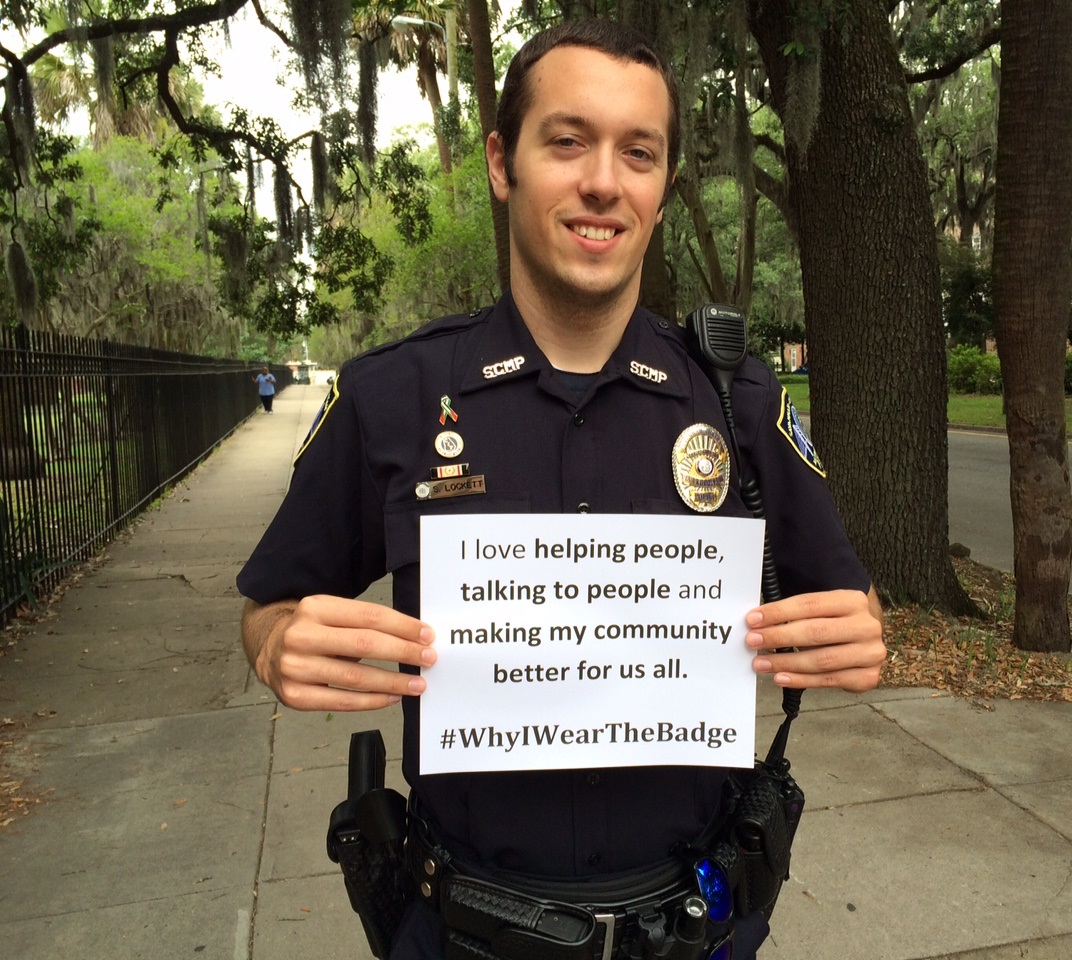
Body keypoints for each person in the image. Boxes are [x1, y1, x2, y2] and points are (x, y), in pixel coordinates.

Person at [237, 19, 884, 960]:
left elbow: (854, 602)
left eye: (639, 152)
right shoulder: (393, 398)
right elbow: (270, 604)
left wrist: (859, 633)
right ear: (503, 162)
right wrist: (274, 647)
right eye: (569, 140)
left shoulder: (738, 402)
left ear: (662, 189)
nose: (603, 182)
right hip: (462, 927)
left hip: (693, 926)